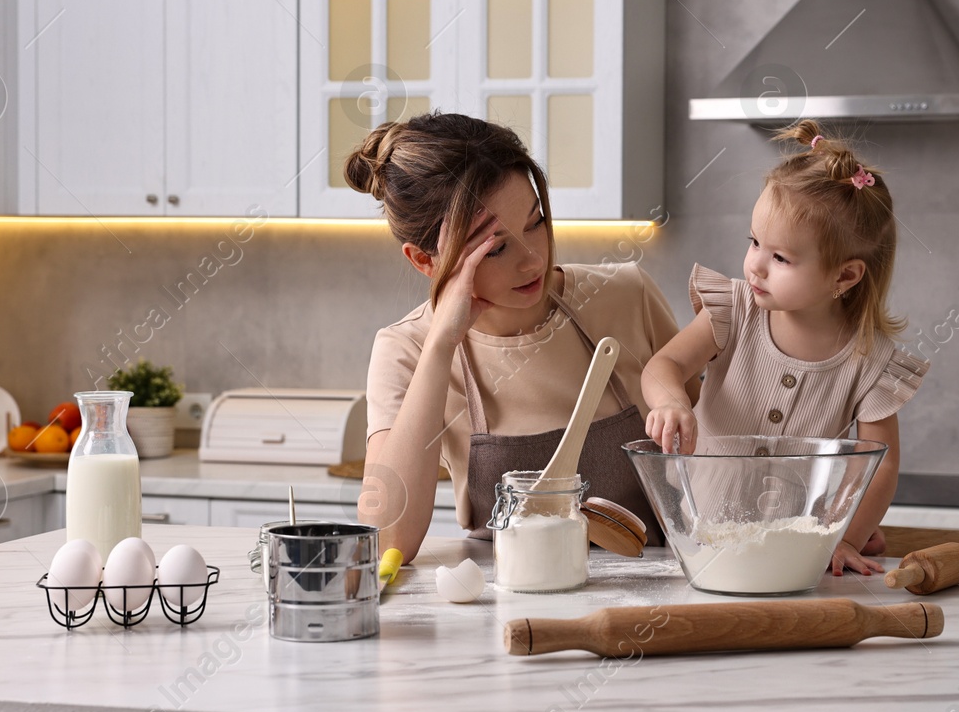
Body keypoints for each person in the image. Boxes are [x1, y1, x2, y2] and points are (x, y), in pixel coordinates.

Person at [347, 111, 689, 561]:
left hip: (651, 597)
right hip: (507, 604)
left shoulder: (626, 295)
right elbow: (388, 539)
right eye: (497, 248)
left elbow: (709, 457)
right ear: (424, 261)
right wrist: (441, 344)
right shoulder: (406, 349)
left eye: (535, 223)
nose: (532, 261)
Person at [641, 120, 928, 576]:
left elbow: (883, 466)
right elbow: (664, 365)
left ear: (845, 276)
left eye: (780, 258)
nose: (755, 264)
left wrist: (847, 538)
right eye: (754, 242)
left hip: (790, 555)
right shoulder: (733, 310)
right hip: (696, 540)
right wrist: (673, 401)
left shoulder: (870, 362)